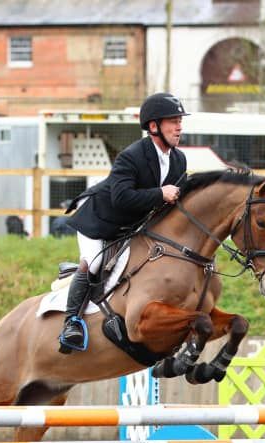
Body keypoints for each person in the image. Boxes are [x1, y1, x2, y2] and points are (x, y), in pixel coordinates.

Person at [58, 92, 189, 352]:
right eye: (172, 121)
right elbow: (121, 198)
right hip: (99, 219)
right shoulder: (132, 156)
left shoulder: (178, 159)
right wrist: (159, 193)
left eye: (180, 120)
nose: (179, 126)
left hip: (131, 226)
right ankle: (70, 323)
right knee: (94, 263)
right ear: (153, 127)